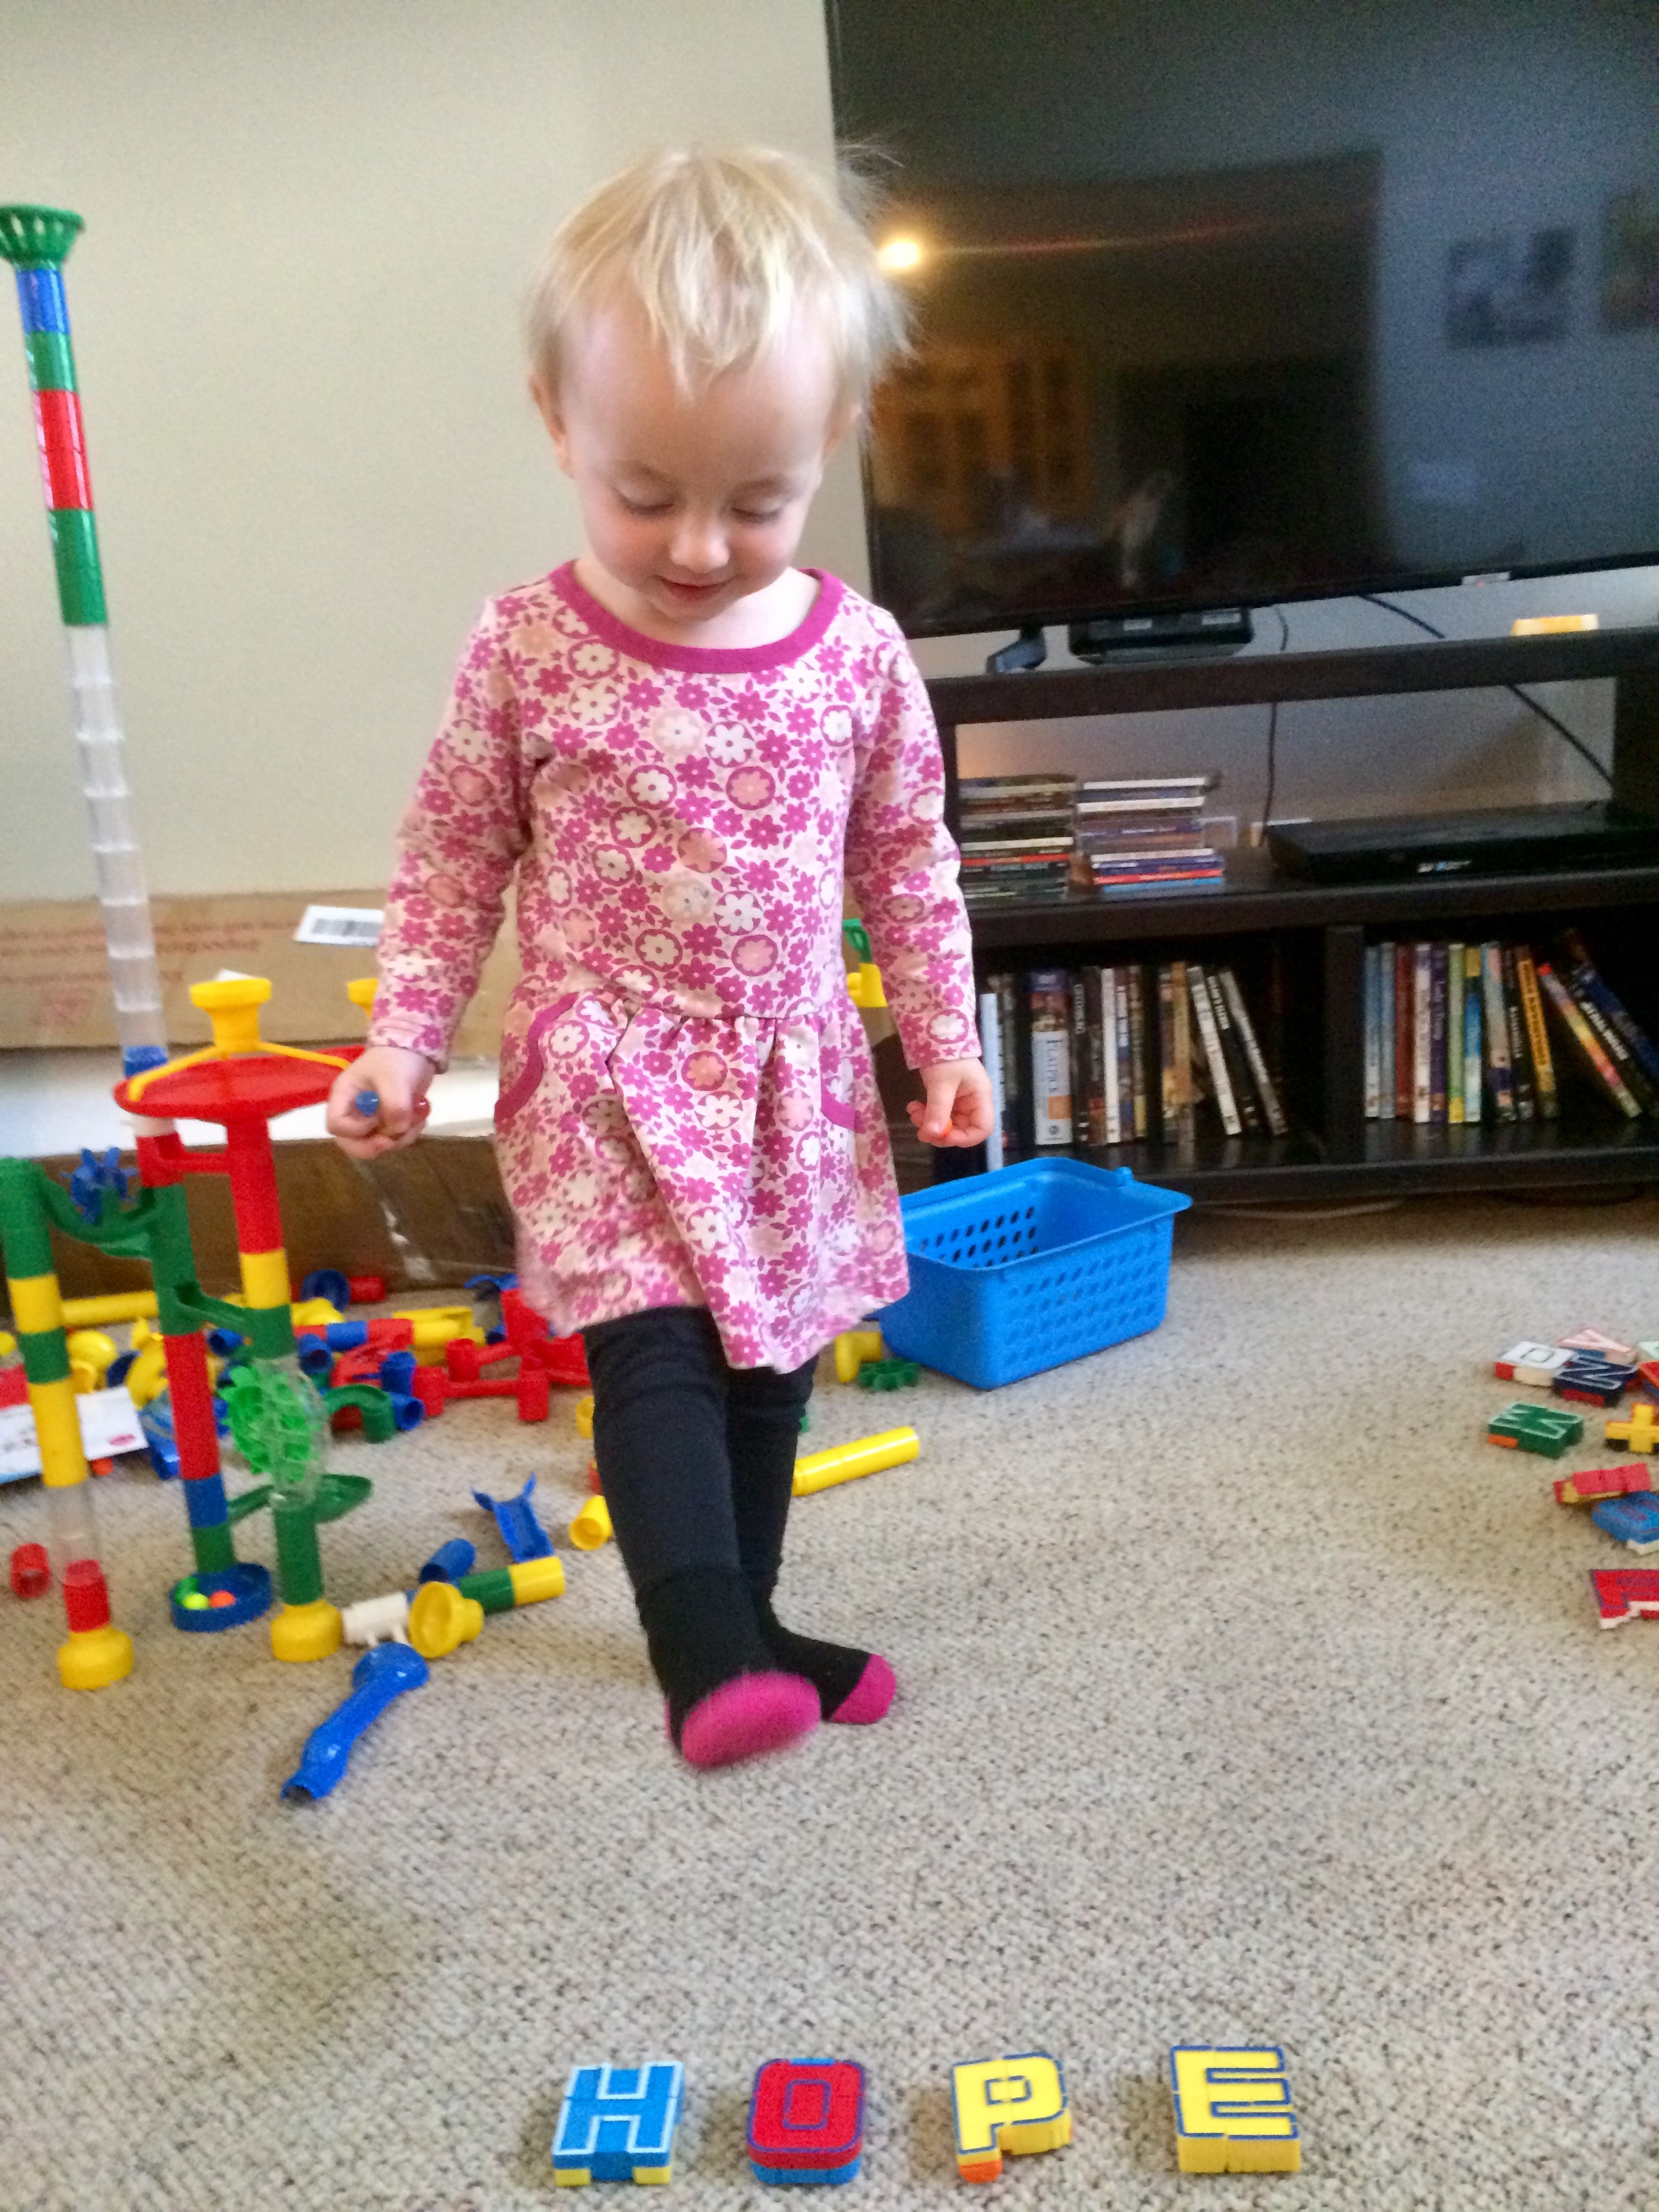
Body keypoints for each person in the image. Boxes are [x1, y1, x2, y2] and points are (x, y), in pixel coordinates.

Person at [325, 146, 991, 1769]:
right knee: (660, 1346)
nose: (698, 545)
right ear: (560, 422)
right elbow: (456, 849)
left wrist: (943, 1035)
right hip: (607, 1072)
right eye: (647, 494)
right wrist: (405, 1033)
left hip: (789, 1073)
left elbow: (906, 855)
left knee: (773, 1363)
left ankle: (748, 1626)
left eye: (756, 503)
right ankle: (699, 1652)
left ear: (832, 440)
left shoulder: (858, 656)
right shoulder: (527, 646)